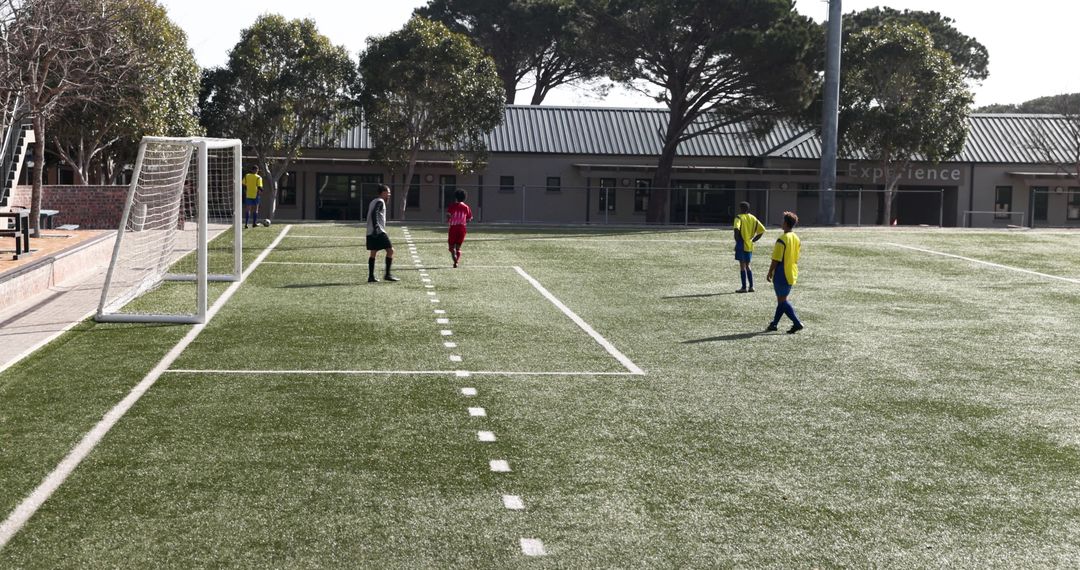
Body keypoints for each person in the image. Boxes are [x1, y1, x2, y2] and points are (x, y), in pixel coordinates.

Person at [766, 211, 803, 334]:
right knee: (782, 300)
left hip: (782, 272)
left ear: (786, 223)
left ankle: (797, 323)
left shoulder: (782, 239)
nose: (781, 223)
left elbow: (776, 259)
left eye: (783, 221)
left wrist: (770, 271)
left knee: (782, 301)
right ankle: (774, 324)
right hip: (792, 272)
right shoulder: (796, 238)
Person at [365, 185, 399, 283]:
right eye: (387, 192)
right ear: (382, 192)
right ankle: (387, 275)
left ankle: (371, 277)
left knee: (373, 253)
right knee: (390, 251)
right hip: (378, 231)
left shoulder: (373, 201)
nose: (389, 194)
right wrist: (376, 227)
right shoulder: (380, 201)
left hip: (370, 231)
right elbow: (374, 213)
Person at [732, 201, 765, 292]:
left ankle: (743, 287)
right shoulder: (753, 218)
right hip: (749, 244)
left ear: (741, 208)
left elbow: (736, 229)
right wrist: (753, 240)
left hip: (741, 244)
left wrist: (737, 242)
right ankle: (751, 287)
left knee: (742, 266)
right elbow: (762, 230)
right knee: (748, 265)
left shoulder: (738, 217)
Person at [447, 189, 473, 268]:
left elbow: (448, 215)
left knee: (451, 246)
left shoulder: (452, 206)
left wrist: (449, 220)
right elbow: (469, 218)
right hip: (462, 228)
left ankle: (454, 257)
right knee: (458, 247)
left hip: (453, 228)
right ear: (464, 198)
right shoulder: (466, 207)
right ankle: (456, 261)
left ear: (456, 197)